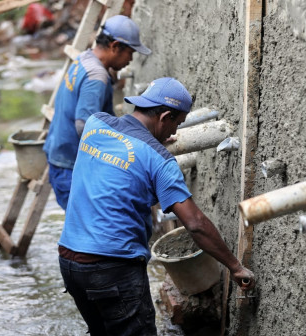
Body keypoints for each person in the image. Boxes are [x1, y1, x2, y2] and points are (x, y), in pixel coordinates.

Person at [58, 77, 256, 335]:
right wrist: (235, 266)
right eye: (176, 124)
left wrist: (150, 144)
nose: (174, 134)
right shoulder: (160, 161)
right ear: (165, 116)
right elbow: (195, 224)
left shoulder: (95, 125)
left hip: (70, 262)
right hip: (112, 268)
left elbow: (119, 174)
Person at [43, 15, 151, 210]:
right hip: (71, 168)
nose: (130, 60)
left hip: (59, 155)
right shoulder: (97, 77)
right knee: (88, 230)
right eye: (130, 53)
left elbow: (103, 121)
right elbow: (85, 127)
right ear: (115, 46)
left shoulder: (84, 58)